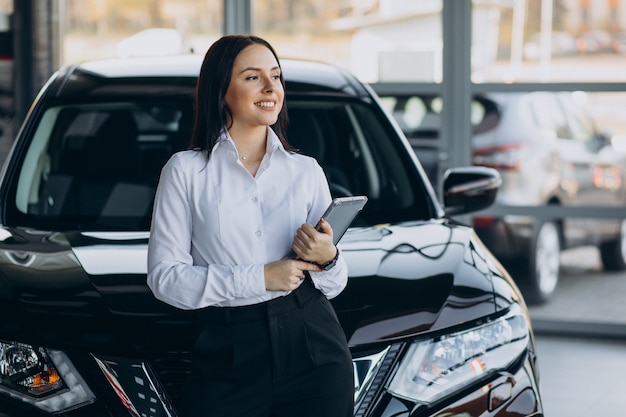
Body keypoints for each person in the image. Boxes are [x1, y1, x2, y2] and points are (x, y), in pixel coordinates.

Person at [146, 34, 354, 417]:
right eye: (253, 77)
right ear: (221, 89)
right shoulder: (186, 171)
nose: (271, 87)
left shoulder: (305, 171)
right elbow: (165, 279)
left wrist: (329, 258)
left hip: (313, 343)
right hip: (228, 353)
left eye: (276, 76)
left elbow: (335, 284)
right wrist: (259, 278)